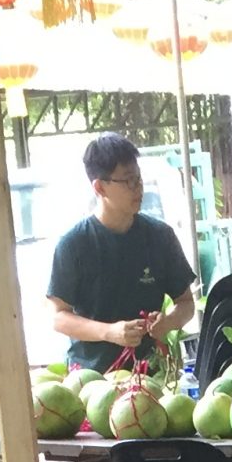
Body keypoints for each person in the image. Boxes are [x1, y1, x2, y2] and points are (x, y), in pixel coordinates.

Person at [48, 134, 199, 374]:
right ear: (99, 187)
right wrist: (109, 332)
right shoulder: (73, 244)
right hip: (92, 378)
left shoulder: (160, 236)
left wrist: (167, 323)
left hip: (151, 374)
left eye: (139, 179)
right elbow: (59, 318)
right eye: (128, 181)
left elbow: (186, 304)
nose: (138, 188)